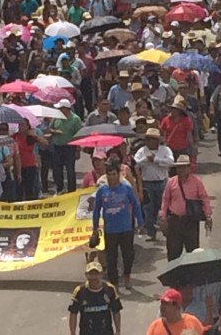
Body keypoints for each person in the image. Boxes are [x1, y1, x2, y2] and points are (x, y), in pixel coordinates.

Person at [92, 160, 143, 289]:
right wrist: (95, 228)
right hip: (110, 229)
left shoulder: (126, 188)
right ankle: (113, 282)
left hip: (126, 228)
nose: (111, 177)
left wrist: (140, 222)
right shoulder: (102, 191)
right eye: (109, 174)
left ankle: (127, 276)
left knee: (128, 255)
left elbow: (135, 205)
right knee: (111, 257)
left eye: (114, 174)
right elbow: (96, 210)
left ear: (118, 175)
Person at [159, 155, 212, 261]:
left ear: (189, 168)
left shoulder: (197, 182)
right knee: (173, 254)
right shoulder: (171, 182)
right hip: (174, 220)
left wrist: (208, 216)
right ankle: (174, 277)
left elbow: (204, 199)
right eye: (179, 167)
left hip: (190, 221)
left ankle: (192, 277)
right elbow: (165, 200)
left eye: (183, 167)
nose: (181, 169)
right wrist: (163, 218)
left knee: (193, 253)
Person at [134, 128, 174, 241]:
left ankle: (166, 229)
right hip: (147, 183)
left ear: (157, 140)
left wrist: (156, 160)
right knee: (148, 209)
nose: (149, 142)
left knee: (164, 207)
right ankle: (151, 232)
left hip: (162, 182)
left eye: (152, 139)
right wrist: (146, 160)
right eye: (148, 139)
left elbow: (171, 162)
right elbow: (135, 164)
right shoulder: (142, 151)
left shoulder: (165, 150)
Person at [68, 261, 123, 335]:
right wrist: (72, 333)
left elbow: (116, 311)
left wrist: (118, 331)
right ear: (86, 275)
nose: (93, 277)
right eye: (91, 274)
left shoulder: (110, 289)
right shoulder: (79, 291)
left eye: (96, 274)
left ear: (101, 275)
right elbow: (73, 313)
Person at [49, 99, 82, 193]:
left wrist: (77, 150)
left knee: (70, 170)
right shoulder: (56, 117)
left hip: (70, 147)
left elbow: (78, 135)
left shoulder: (75, 119)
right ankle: (60, 188)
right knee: (57, 169)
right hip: (57, 147)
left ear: (65, 109)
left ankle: (71, 190)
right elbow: (50, 128)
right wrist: (55, 132)